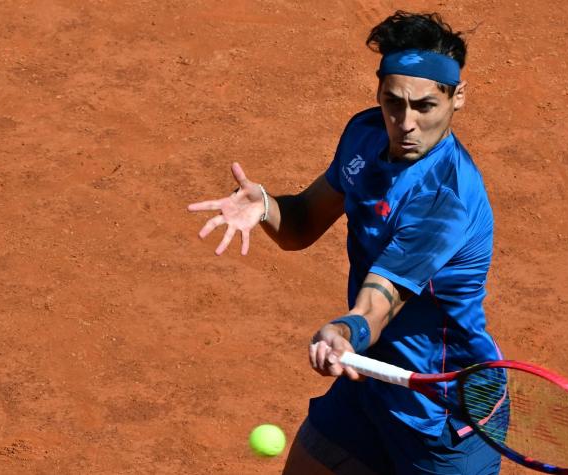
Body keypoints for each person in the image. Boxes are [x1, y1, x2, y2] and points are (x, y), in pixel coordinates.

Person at [188, 11, 503, 475]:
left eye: (425, 106)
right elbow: (301, 223)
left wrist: (343, 332)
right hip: (369, 382)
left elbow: (380, 303)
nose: (406, 122)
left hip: (440, 410)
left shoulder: (444, 201)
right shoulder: (365, 134)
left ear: (458, 98)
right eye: (393, 102)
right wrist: (267, 207)